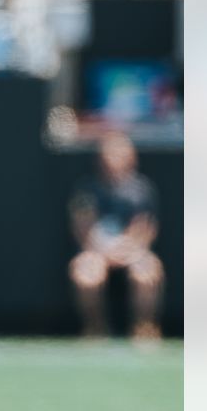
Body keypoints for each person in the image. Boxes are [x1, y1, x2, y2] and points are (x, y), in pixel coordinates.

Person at [68, 130, 164, 340]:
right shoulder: (87, 189)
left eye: (120, 153)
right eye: (110, 153)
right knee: (85, 274)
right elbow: (82, 228)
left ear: (131, 157)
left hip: (132, 252)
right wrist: (104, 252)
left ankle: (144, 328)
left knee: (147, 272)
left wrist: (127, 250)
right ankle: (95, 329)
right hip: (96, 252)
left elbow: (145, 229)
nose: (114, 158)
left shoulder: (141, 190)